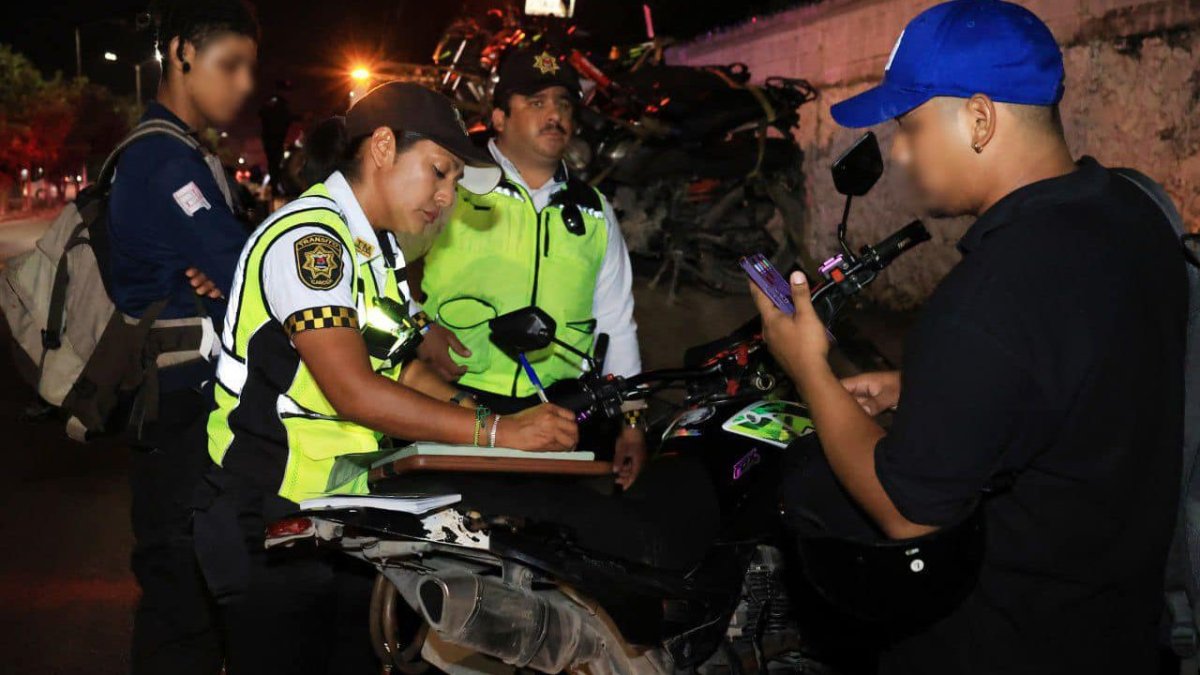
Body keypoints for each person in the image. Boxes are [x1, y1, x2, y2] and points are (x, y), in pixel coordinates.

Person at [752, 1, 1187, 673]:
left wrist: (809, 367)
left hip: (1005, 642)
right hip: (1119, 626)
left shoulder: (993, 295)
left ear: (980, 119)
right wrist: (926, 385)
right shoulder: (1132, 215)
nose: (898, 151)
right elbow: (1081, 374)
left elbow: (907, 511)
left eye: (911, 126)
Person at [192, 82, 579, 674]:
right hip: (270, 515)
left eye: (453, 182)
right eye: (439, 172)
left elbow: (405, 372)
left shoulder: (378, 252)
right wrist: (500, 433)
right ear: (381, 147)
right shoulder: (312, 241)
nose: (446, 197)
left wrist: (504, 425)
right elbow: (353, 389)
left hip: (343, 513)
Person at [106, 1, 258, 672]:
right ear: (181, 54)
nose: (246, 83)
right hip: (176, 413)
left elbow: (230, 272)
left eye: (251, 65)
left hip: (184, 406)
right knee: (182, 604)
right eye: (231, 64)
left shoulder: (187, 154)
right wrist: (229, 275)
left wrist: (226, 275)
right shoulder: (164, 162)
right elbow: (248, 273)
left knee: (199, 601)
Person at [417, 47, 648, 489]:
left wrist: (632, 425)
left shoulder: (594, 211)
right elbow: (377, 265)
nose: (554, 114)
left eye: (563, 103)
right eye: (536, 102)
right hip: (459, 404)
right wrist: (419, 327)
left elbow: (617, 323)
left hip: (557, 415)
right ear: (499, 116)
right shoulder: (454, 184)